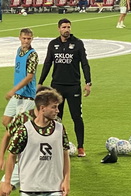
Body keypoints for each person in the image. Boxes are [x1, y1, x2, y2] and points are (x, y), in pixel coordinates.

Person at [38, 18, 91, 157]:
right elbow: (48, 63)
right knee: (55, 117)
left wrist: (88, 82)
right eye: (64, 27)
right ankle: (54, 145)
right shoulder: (53, 44)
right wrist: (40, 82)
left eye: (68, 27)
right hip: (57, 88)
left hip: (73, 87)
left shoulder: (78, 44)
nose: (66, 29)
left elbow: (84, 64)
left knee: (77, 117)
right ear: (59, 29)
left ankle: (80, 147)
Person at [2, 28, 37, 128]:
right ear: (19, 38)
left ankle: (22, 142)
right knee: (6, 121)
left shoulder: (32, 55)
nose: (26, 41)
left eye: (28, 39)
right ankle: (17, 140)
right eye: (24, 38)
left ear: (32, 39)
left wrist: (14, 89)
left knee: (21, 125)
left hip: (26, 96)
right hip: (18, 94)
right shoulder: (19, 50)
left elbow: (30, 77)